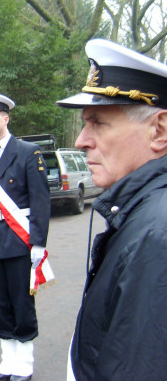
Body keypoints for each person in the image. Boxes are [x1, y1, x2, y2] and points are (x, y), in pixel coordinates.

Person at [57, 39, 167, 380]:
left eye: (99, 123)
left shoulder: (157, 234)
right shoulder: (144, 214)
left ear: (159, 131)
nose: (81, 140)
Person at [0, 93, 50, 381]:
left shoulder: (28, 152)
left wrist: (39, 242)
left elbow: (41, 201)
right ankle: (7, 359)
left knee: (20, 300)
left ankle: (25, 361)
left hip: (19, 240)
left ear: (6, 118)